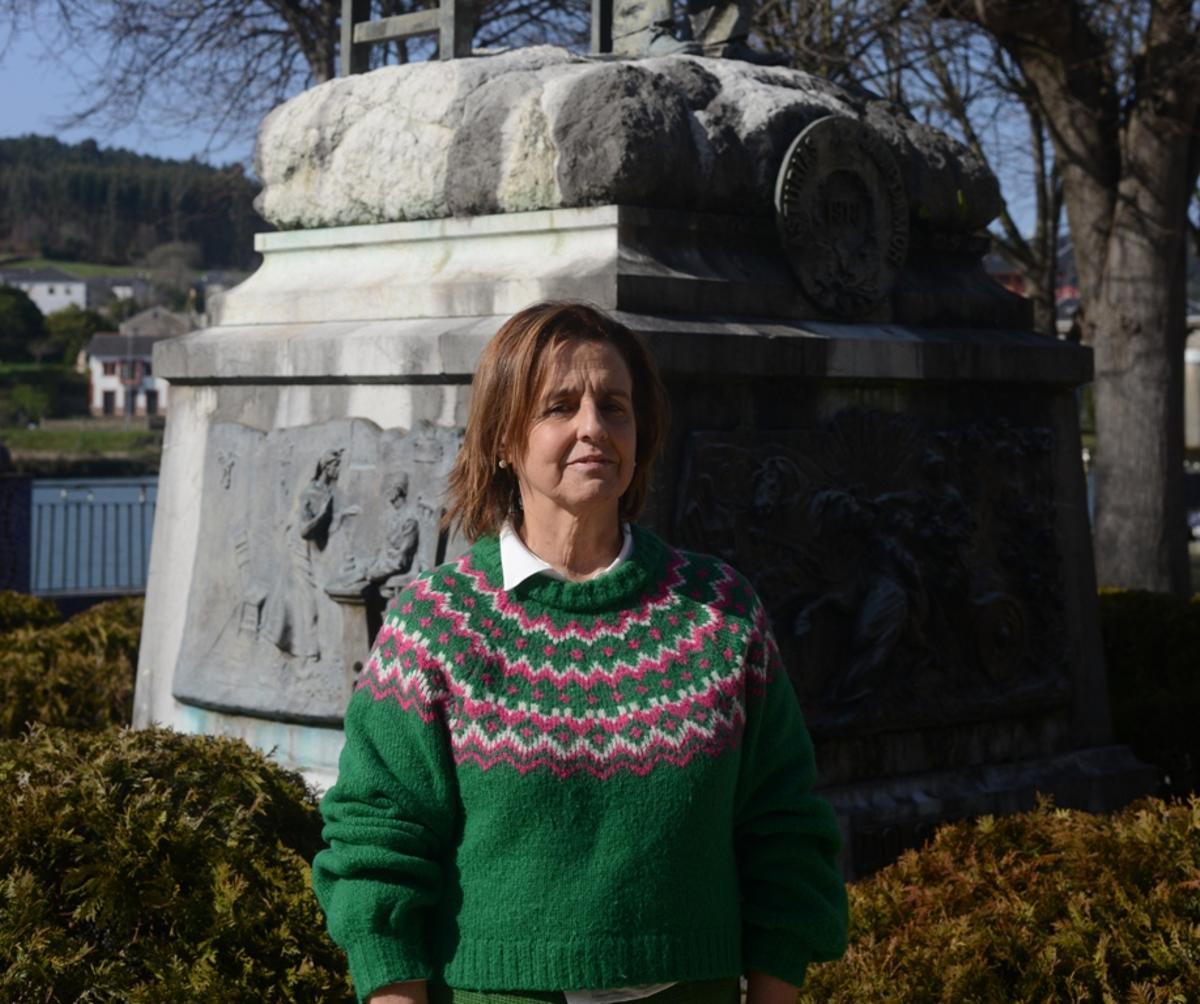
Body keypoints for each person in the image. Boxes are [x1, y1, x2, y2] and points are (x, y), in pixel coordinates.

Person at [312, 302, 848, 1004]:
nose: (593, 427)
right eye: (559, 407)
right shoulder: (435, 626)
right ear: (504, 438)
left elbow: (784, 825)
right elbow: (379, 841)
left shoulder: (718, 613)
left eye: (614, 407)